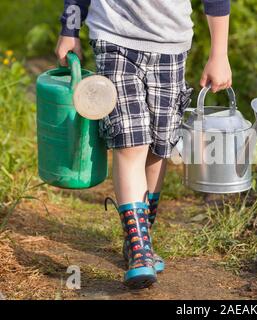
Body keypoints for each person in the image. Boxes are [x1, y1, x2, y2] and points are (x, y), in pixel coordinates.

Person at [55, 0, 232, 289]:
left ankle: (140, 237)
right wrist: (69, 28)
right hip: (114, 37)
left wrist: (219, 53)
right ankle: (139, 250)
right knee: (130, 142)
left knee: (158, 147)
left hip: (171, 44)